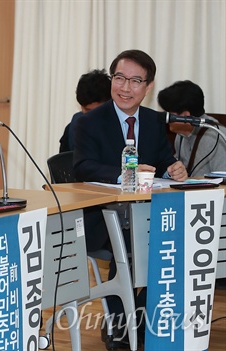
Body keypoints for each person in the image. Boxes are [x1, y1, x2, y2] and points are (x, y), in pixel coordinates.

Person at [73, 49, 188, 349]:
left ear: (148, 87)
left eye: (135, 81)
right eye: (120, 78)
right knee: (126, 245)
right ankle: (121, 331)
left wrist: (174, 167)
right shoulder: (89, 121)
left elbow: (163, 159)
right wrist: (125, 175)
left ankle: (137, 322)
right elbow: (83, 167)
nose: (125, 88)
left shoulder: (152, 120)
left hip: (147, 215)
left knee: (173, 246)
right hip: (103, 215)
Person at [157, 80, 226, 177]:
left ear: (185, 116)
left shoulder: (215, 137)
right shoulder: (180, 136)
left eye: (169, 113)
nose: (166, 118)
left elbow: (223, 182)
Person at [59, 69, 112, 152]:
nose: (89, 116)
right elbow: (63, 163)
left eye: (95, 111)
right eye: (86, 109)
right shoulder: (72, 129)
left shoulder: (124, 127)